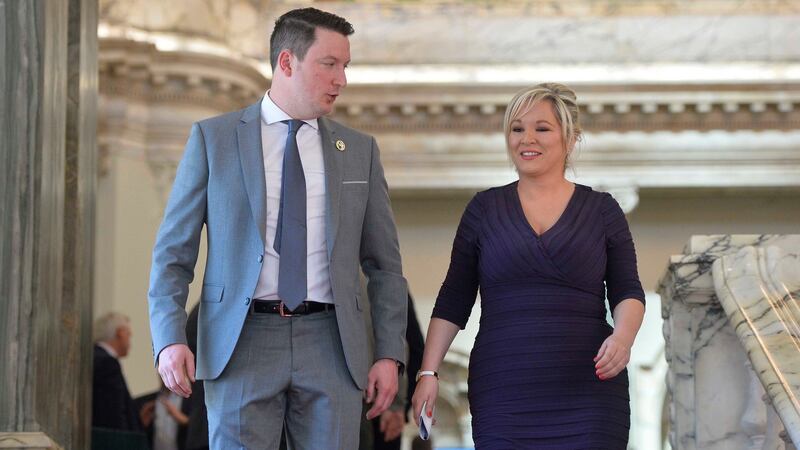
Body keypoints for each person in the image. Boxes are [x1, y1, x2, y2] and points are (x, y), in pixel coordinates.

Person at [147, 7, 407, 450]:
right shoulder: (214, 139)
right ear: (287, 62)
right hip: (241, 341)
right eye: (330, 64)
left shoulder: (359, 151)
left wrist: (388, 352)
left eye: (345, 66)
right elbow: (173, 254)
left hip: (333, 345)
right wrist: (168, 338)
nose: (341, 79)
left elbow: (384, 265)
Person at [412, 83, 646, 448]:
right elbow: (454, 298)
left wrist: (623, 338)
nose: (526, 139)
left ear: (570, 138)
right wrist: (428, 371)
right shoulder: (483, 209)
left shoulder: (603, 210)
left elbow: (628, 290)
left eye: (542, 128)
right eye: (517, 128)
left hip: (588, 388)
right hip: (504, 388)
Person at [92, 312, 142, 432]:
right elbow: (114, 412)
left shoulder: (92, 356)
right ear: (120, 333)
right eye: (129, 334)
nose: (130, 338)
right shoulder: (107, 363)